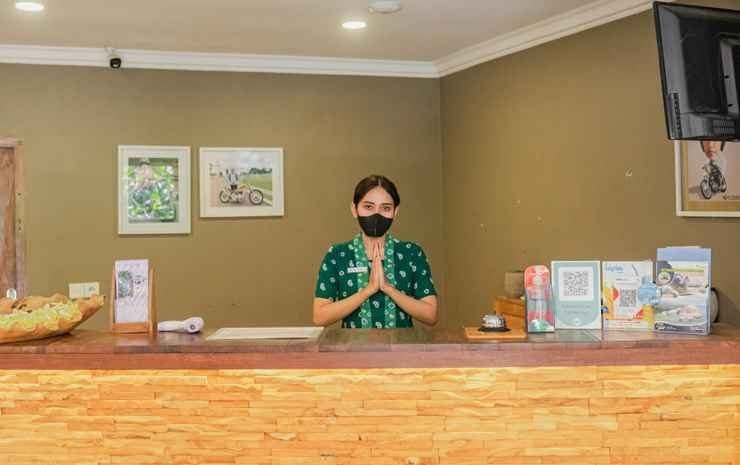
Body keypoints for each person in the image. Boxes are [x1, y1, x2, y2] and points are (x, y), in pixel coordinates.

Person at [312, 175, 438, 328]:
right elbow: (320, 317)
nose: (377, 214)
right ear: (354, 209)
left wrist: (388, 288)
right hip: (352, 344)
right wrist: (368, 290)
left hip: (403, 344)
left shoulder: (411, 253)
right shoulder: (337, 255)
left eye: (385, 208)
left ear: (395, 212)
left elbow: (431, 315)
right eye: (368, 207)